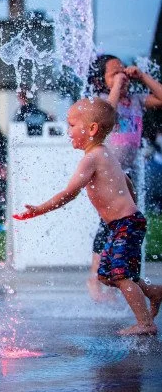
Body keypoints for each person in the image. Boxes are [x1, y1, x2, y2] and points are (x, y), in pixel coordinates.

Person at [14, 98, 162, 336]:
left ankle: (145, 323)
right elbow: (127, 182)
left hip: (126, 224)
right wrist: (129, 204)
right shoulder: (105, 154)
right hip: (122, 224)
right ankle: (152, 291)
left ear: (92, 129)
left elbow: (69, 193)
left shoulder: (92, 158)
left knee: (121, 274)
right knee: (106, 275)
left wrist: (39, 210)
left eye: (72, 125)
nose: (68, 130)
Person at [85, 55, 162, 301]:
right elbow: (107, 114)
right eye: (114, 73)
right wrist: (117, 85)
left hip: (126, 172)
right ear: (102, 81)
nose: (122, 77)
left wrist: (142, 76)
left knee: (122, 225)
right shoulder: (103, 103)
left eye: (123, 72)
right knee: (109, 223)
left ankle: (114, 275)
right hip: (106, 172)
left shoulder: (137, 100)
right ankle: (95, 277)